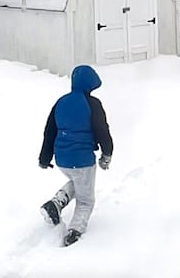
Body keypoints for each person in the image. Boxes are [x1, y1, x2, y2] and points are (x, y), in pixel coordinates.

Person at [38, 65, 113, 247]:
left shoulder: (61, 102)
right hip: (82, 160)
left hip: (62, 158)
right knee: (86, 200)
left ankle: (56, 203)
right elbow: (102, 130)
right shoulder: (92, 104)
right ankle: (74, 232)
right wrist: (107, 154)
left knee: (79, 182)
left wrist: (44, 158)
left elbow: (49, 131)